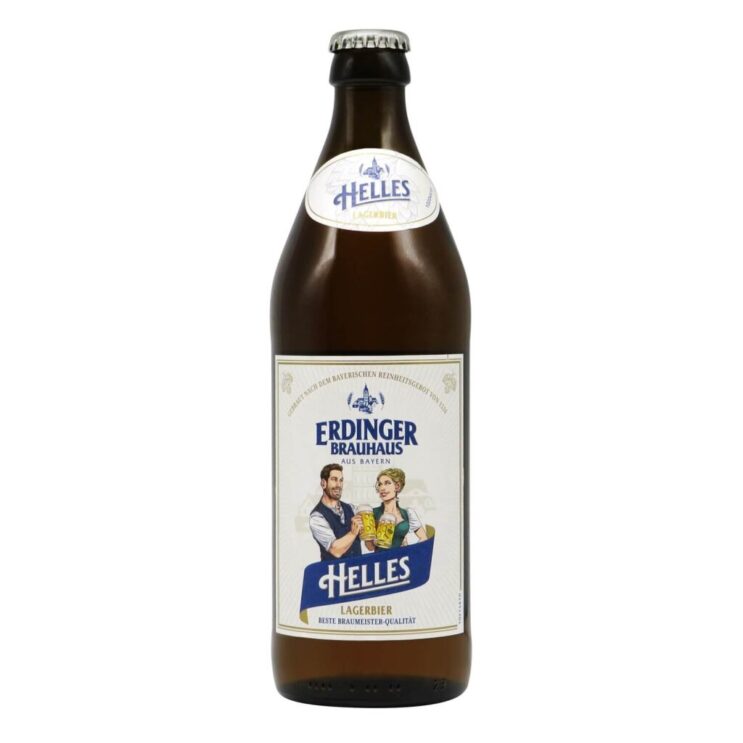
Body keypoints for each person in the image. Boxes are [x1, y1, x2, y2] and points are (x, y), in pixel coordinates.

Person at [309, 464, 364, 561]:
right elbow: (335, 550)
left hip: (358, 569)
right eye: (334, 479)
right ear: (323, 483)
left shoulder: (351, 508)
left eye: (341, 480)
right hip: (333, 570)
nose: (338, 485)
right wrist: (353, 533)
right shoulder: (317, 517)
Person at [372, 468, 428, 549]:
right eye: (380, 484)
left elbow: (423, 538)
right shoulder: (372, 513)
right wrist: (374, 541)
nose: (382, 488)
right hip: (380, 556)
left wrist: (409, 550)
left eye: (387, 483)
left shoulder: (408, 513)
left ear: (397, 486)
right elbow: (369, 547)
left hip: (402, 556)